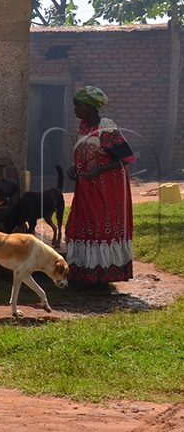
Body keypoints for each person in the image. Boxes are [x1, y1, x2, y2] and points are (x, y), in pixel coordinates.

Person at [65, 85, 134, 288]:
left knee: (100, 229)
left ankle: (102, 278)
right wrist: (74, 168)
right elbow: (90, 154)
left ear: (91, 106)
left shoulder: (106, 128)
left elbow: (126, 158)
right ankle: (86, 275)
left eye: (79, 105)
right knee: (83, 227)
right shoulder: (85, 127)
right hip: (87, 188)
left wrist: (98, 171)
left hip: (106, 190)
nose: (75, 109)